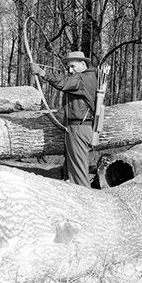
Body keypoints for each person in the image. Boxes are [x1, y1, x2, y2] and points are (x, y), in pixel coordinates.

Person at [30, 51, 97, 188]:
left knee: (79, 175)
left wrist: (42, 73)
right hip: (76, 127)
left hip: (79, 128)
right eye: (68, 68)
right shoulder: (83, 77)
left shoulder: (83, 79)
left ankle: (85, 201)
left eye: (73, 66)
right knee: (72, 171)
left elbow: (64, 82)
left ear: (83, 64)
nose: (70, 70)